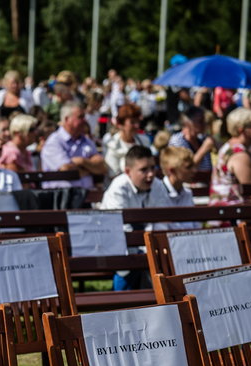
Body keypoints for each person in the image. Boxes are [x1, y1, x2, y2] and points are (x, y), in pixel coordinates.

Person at [99, 145, 170, 290]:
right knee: (128, 265)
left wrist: (152, 248)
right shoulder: (118, 189)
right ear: (127, 171)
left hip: (146, 243)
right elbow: (121, 229)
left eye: (152, 167)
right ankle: (122, 302)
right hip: (116, 244)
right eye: (144, 170)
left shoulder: (158, 185)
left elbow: (161, 221)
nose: (151, 174)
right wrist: (147, 249)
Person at [40, 101, 106, 201]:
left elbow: (101, 167)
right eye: (80, 117)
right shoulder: (54, 142)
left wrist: (81, 161)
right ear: (67, 119)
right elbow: (66, 170)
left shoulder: (86, 141)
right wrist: (91, 168)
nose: (84, 120)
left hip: (87, 198)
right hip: (62, 200)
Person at [210, 107, 251, 206]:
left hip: (229, 212)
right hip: (234, 215)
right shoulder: (239, 155)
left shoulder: (229, 147)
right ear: (242, 130)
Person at [103, 103, 152, 178]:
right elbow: (113, 175)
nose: (137, 125)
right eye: (132, 122)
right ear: (120, 124)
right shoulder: (112, 145)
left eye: (137, 121)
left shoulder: (144, 141)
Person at [168, 106, 214, 172]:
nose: (204, 124)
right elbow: (184, 168)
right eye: (200, 121)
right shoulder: (177, 140)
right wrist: (204, 149)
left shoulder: (202, 138)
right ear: (188, 123)